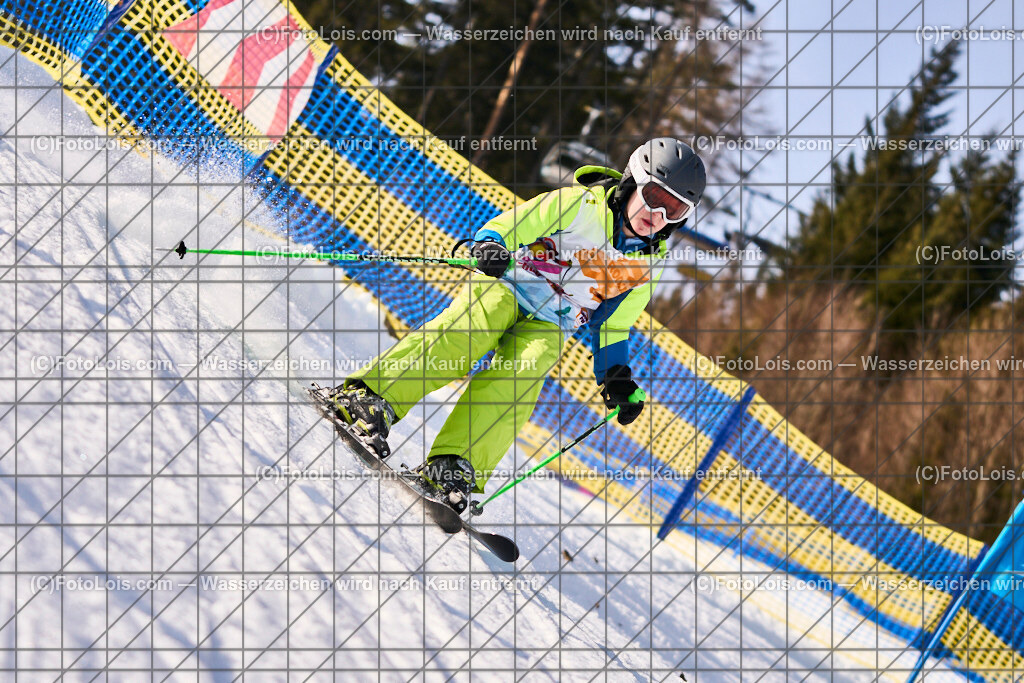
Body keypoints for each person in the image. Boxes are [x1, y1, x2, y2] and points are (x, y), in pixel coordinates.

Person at [329, 137, 706, 512]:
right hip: (507, 282)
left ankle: (453, 466)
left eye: (674, 210)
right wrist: (491, 244)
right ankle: (370, 398)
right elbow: (513, 224)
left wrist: (616, 378)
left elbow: (611, 327)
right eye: (655, 197)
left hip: (552, 322)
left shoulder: (646, 267)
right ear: (632, 183)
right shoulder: (577, 205)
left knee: (524, 373)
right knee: (467, 333)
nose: (658, 215)